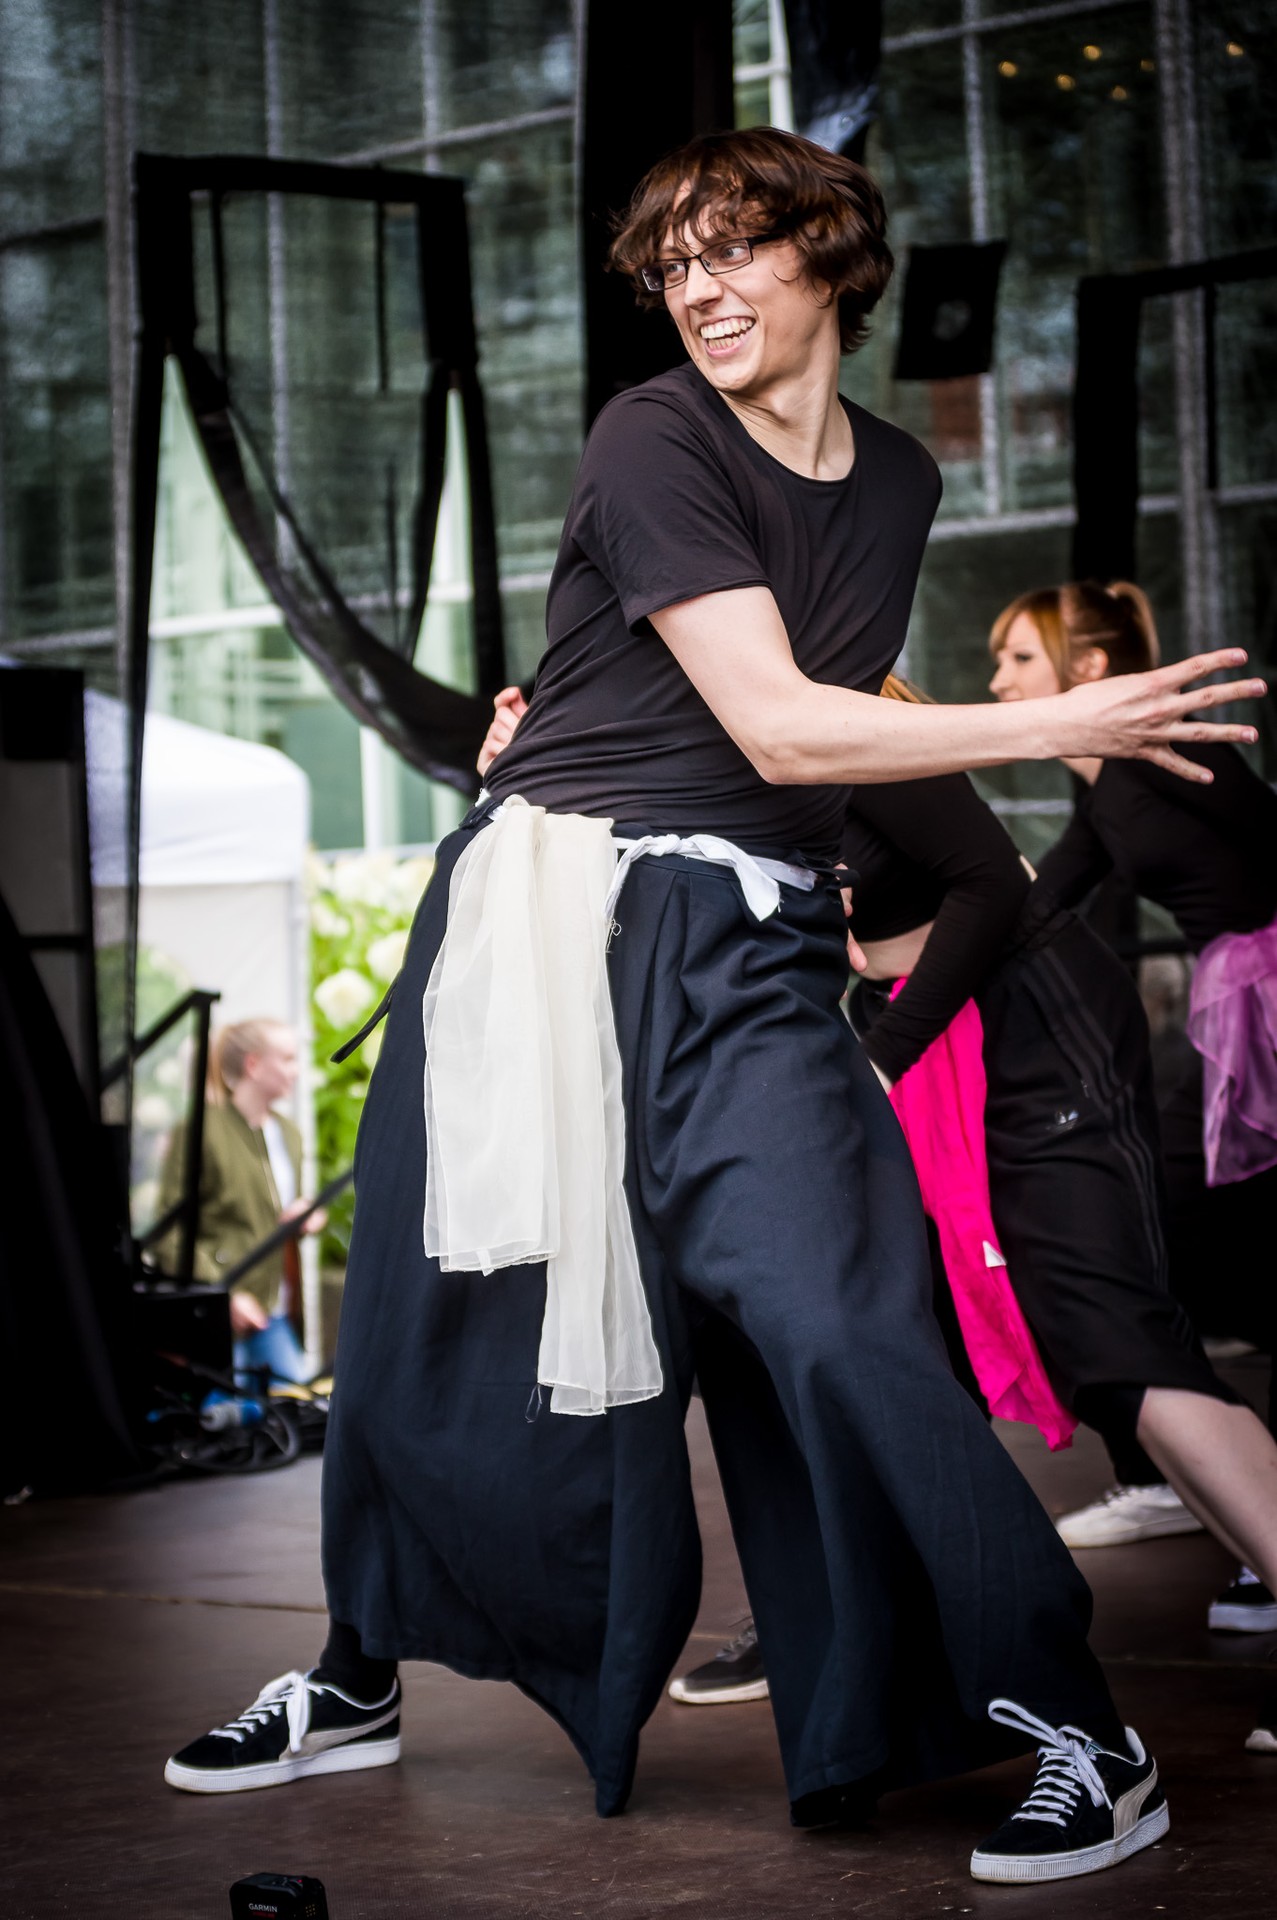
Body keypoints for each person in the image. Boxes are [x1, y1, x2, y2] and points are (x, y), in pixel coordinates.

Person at [164, 128, 1263, 1883]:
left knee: (843, 1321)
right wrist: (1058, 722)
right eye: (673, 264)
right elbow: (773, 720)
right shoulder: (652, 432)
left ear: (833, 259)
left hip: (742, 947)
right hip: (539, 921)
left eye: (735, 247)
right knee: (438, 1341)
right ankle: (357, 1674)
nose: (698, 287)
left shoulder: (893, 480)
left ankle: (1071, 1725)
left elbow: (802, 743)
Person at [671, 709, 1277, 1757]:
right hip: (910, 1030)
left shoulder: (844, 715)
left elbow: (993, 881)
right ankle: (850, 1626)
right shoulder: (706, 756)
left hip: (1020, 1027)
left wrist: (883, 1054)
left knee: (1115, 1346)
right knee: (903, 1335)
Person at [990, 582, 1277, 1638]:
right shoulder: (1105, 794)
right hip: (1235, 1007)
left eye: (1018, 660)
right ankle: (1194, 1486)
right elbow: (1034, 900)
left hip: (1262, 1000)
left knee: (1190, 1234)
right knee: (1175, 1241)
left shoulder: (1160, 754)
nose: (997, 684)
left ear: (1088, 671)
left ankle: (1234, 1509)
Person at [157, 1018, 323, 1384]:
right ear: (253, 1065)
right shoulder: (201, 1132)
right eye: (288, 1059)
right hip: (221, 1311)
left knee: (293, 1406)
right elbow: (170, 1232)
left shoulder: (288, 1134)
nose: (297, 1070)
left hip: (272, 1310)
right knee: (228, 1410)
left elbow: (266, 1211)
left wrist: (302, 1218)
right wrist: (224, 1295)